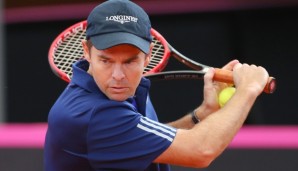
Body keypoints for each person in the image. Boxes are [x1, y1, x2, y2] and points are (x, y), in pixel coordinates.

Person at [44, 0, 269, 170]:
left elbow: (145, 139)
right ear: (86, 52)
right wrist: (248, 89)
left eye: (130, 61)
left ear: (148, 55)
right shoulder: (92, 115)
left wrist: (201, 114)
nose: (118, 75)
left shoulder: (116, 91)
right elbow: (202, 150)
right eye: (106, 60)